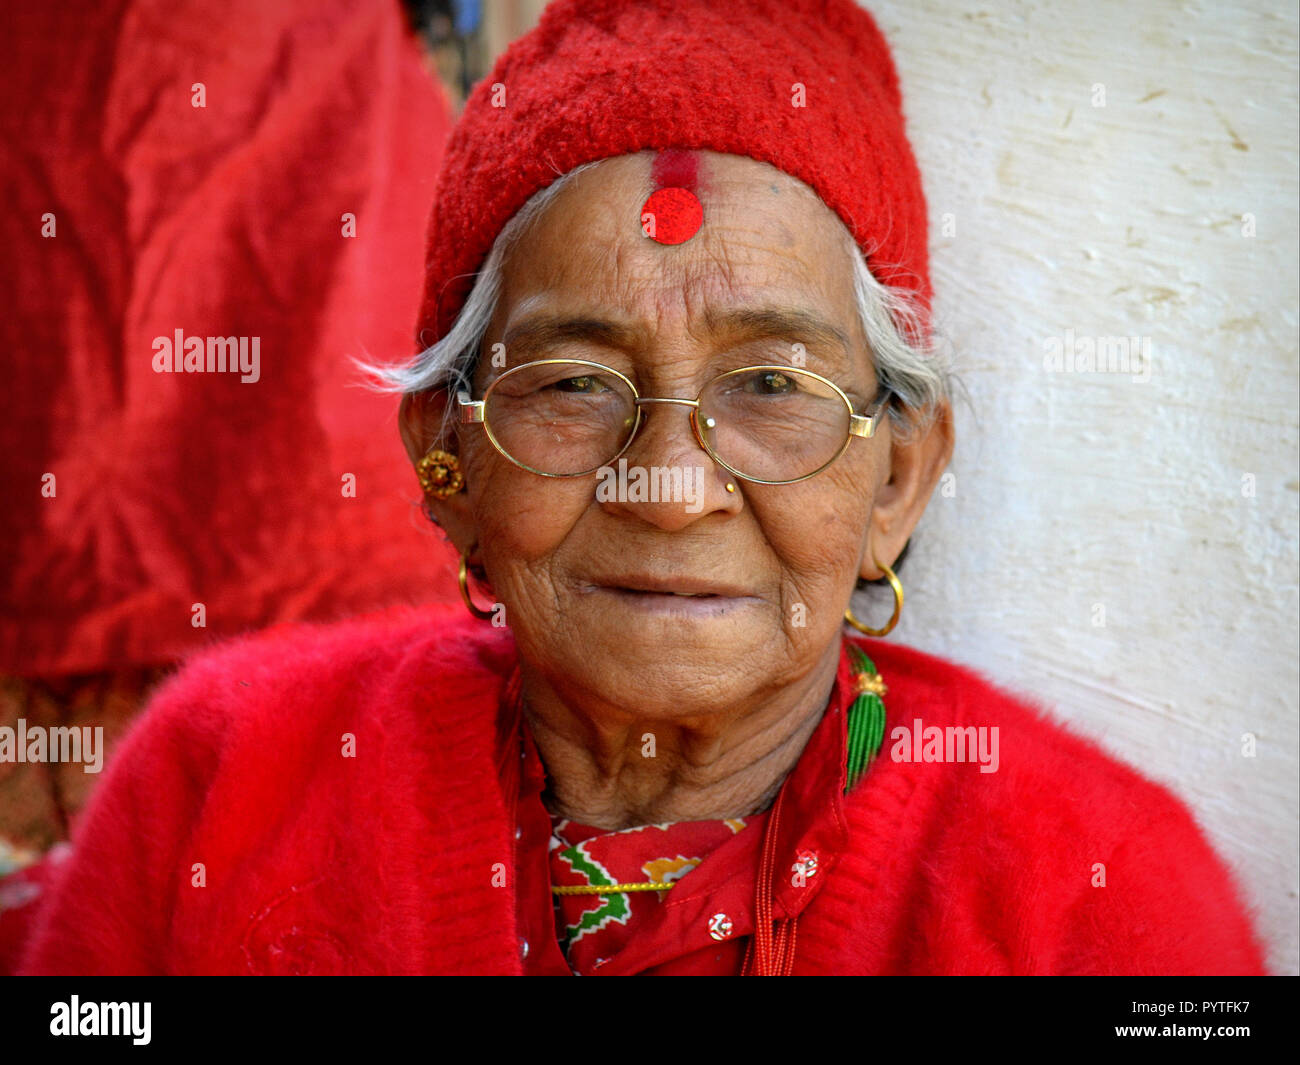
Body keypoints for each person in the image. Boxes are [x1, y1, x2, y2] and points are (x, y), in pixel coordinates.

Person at [18, 0, 1266, 975]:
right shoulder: (218, 778)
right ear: (440, 458)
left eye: (771, 385)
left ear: (897, 474)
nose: (670, 487)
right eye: (571, 383)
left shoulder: (1098, 890)